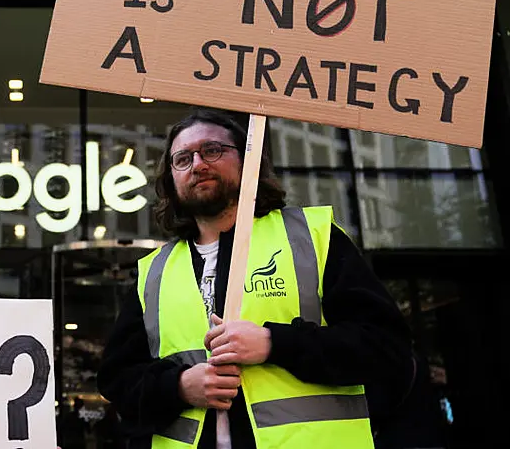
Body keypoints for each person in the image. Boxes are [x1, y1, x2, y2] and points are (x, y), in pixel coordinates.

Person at [97, 109, 414, 449]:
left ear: (247, 161)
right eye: (182, 159)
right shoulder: (154, 272)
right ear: (171, 180)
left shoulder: (311, 237)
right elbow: (117, 380)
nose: (198, 165)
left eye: (212, 150)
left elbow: (387, 349)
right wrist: (178, 386)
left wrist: (274, 343)